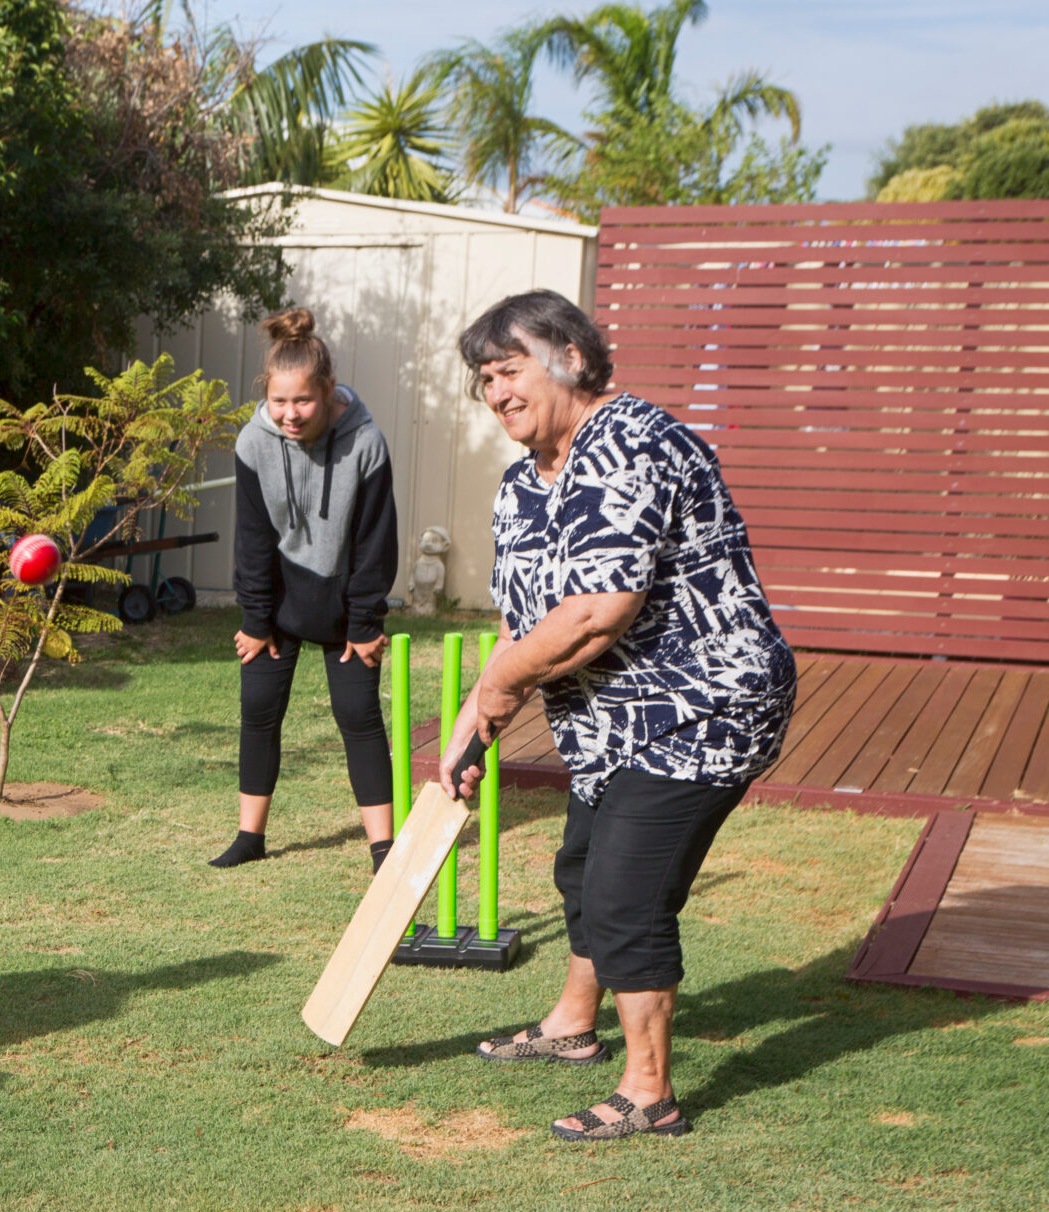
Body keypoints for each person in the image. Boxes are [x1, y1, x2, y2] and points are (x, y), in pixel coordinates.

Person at [441, 289, 796, 1142]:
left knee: (626, 893)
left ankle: (650, 1092)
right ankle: (571, 1024)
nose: (496, 392)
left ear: (569, 354)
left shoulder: (633, 441)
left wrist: (499, 691)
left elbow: (598, 611)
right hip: (612, 722)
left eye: (510, 368)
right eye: (484, 379)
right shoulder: (524, 483)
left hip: (702, 705)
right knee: (581, 867)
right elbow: (522, 619)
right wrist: (473, 720)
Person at [216, 308, 400, 872]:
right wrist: (255, 618)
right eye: (279, 402)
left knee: (358, 714)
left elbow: (375, 540)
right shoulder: (254, 442)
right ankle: (251, 837)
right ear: (266, 397)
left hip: (346, 604)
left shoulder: (365, 442)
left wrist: (367, 623)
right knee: (259, 708)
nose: (290, 415)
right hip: (278, 601)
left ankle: (383, 847)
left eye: (303, 402)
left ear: (327, 391)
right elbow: (251, 538)